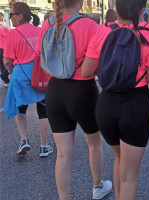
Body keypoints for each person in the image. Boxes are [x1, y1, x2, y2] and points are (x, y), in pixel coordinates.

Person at [82, 0, 149, 199]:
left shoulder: (102, 33)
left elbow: (86, 71)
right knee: (129, 176)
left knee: (119, 158)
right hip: (134, 107)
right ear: (142, 11)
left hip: (106, 105)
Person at [38, 0, 112, 199]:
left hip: (54, 91)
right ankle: (97, 186)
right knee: (94, 144)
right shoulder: (90, 26)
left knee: (63, 154)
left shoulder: (47, 24)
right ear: (80, 2)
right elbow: (99, 63)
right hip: (83, 91)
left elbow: (41, 55)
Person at [3, 2, 53, 157]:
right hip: (40, 73)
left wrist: (11, 72)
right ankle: (44, 146)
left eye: (11, 15)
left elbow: (6, 61)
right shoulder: (39, 31)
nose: (10, 18)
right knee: (43, 110)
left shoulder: (12, 33)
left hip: (20, 74)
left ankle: (24, 140)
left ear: (20, 15)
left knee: (20, 108)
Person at [0, 12, 10, 86]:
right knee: (6, 63)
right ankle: (5, 78)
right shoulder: (6, 27)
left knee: (1, 64)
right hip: (5, 48)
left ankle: (4, 80)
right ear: (3, 19)